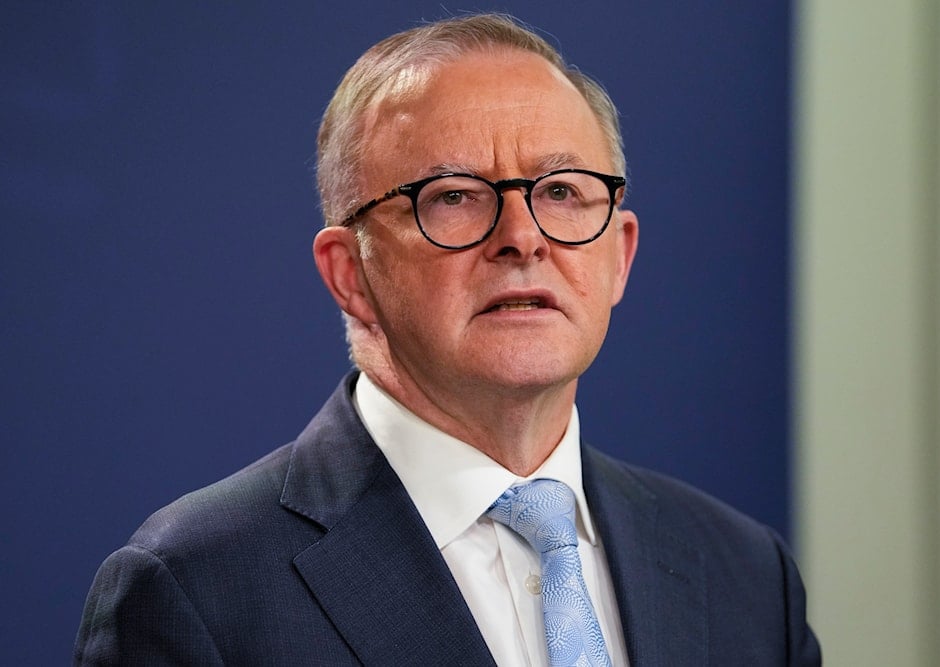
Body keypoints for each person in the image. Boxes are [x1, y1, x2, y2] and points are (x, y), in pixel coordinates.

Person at [74, 13, 820, 666]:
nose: (523, 237)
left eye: (561, 191)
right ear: (350, 274)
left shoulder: (746, 575)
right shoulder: (195, 589)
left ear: (619, 255)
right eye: (455, 197)